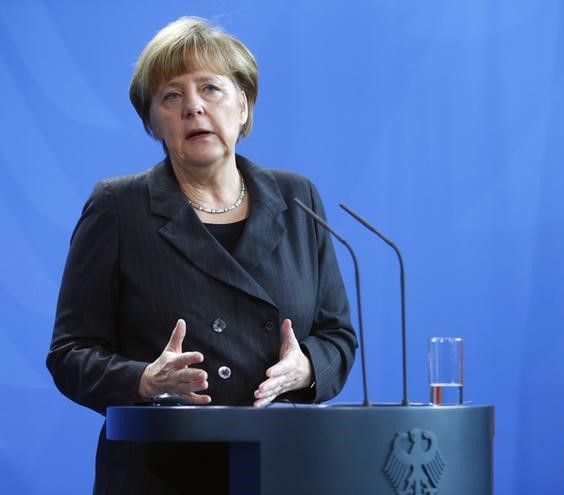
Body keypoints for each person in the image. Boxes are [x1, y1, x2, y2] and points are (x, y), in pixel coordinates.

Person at [46, 16, 357, 494]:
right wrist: (144, 381)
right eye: (171, 96)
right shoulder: (118, 207)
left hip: (280, 465)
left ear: (244, 106)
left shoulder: (298, 199)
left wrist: (307, 368)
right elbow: (69, 354)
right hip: (160, 472)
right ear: (152, 121)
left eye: (211, 89)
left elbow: (337, 335)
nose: (193, 107)